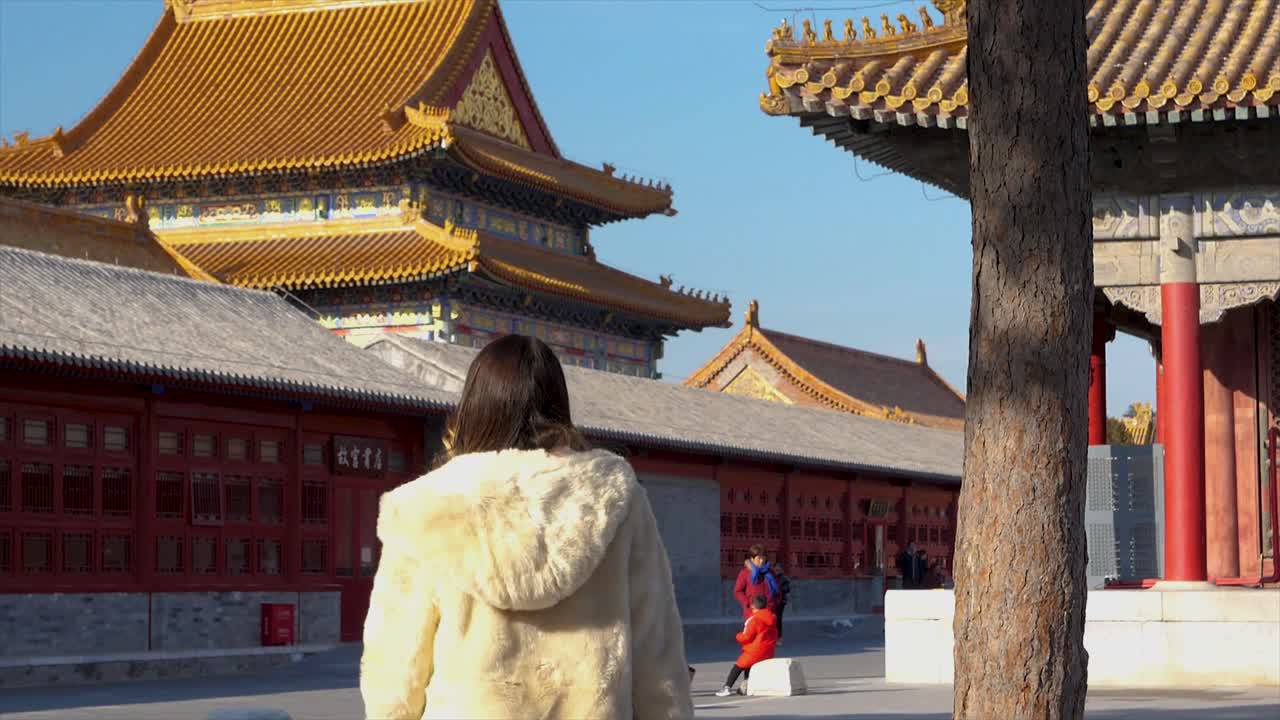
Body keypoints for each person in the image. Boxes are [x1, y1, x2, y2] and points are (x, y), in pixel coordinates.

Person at [360, 334, 693, 720]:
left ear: (473, 406)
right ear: (559, 405)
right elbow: (657, 656)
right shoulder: (613, 498)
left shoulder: (425, 507)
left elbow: (396, 666)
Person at [715, 595, 778, 697]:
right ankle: (745, 687)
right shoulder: (772, 618)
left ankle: (727, 687)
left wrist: (738, 636)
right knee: (749, 666)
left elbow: (746, 637)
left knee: (738, 666)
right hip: (768, 651)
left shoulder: (754, 620)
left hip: (755, 651)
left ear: (753, 606)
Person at [733, 546, 780, 619]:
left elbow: (777, 591)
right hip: (753, 612)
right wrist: (748, 602)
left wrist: (775, 603)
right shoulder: (745, 573)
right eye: (759, 558)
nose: (761, 561)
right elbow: (738, 591)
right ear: (752, 559)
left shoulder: (771, 572)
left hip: (769, 612)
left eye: (763, 558)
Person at [770, 563, 792, 643]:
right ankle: (771, 636)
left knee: (778, 618)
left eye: (778, 569)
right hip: (771, 601)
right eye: (775, 569)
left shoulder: (784, 578)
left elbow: (787, 589)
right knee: (771, 618)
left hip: (781, 601)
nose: (777, 571)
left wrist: (778, 589)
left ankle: (779, 637)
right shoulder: (771, 577)